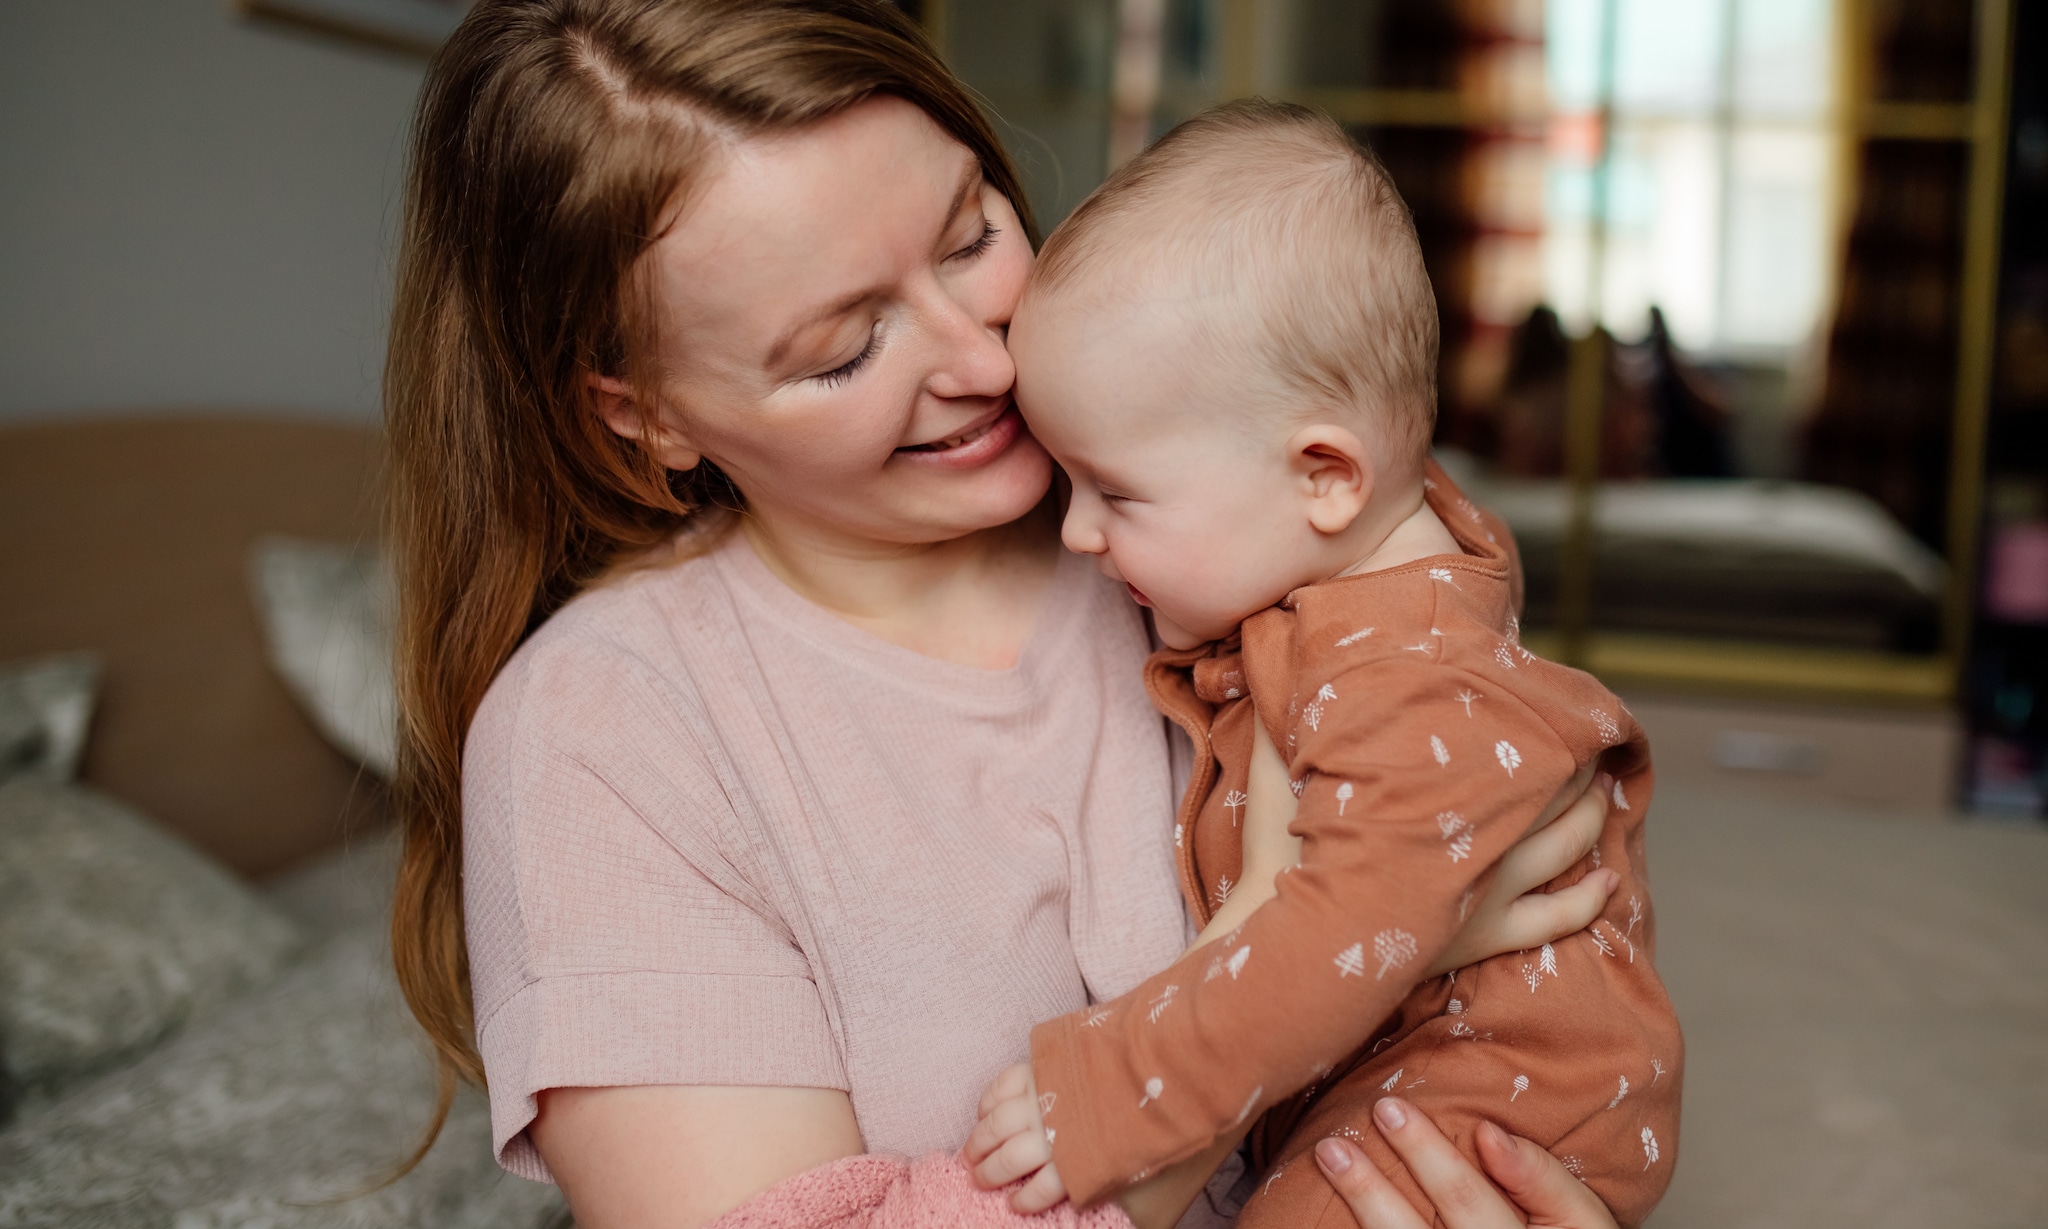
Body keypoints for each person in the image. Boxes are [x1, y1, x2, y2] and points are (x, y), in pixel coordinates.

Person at [381, 3, 1626, 1227]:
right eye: (843, 348)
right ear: (643, 410)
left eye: (969, 236)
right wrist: (1318, 950)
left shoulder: (1214, 498)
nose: (985, 363)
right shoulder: (601, 736)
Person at [967, 103, 1680, 1226]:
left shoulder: (1413, 675)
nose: (1077, 532)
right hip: (1397, 1082)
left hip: (1474, 1110)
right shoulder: (1367, 566)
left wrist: (1116, 1084)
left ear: (1326, 478)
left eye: (1116, 492)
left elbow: (1327, 939)